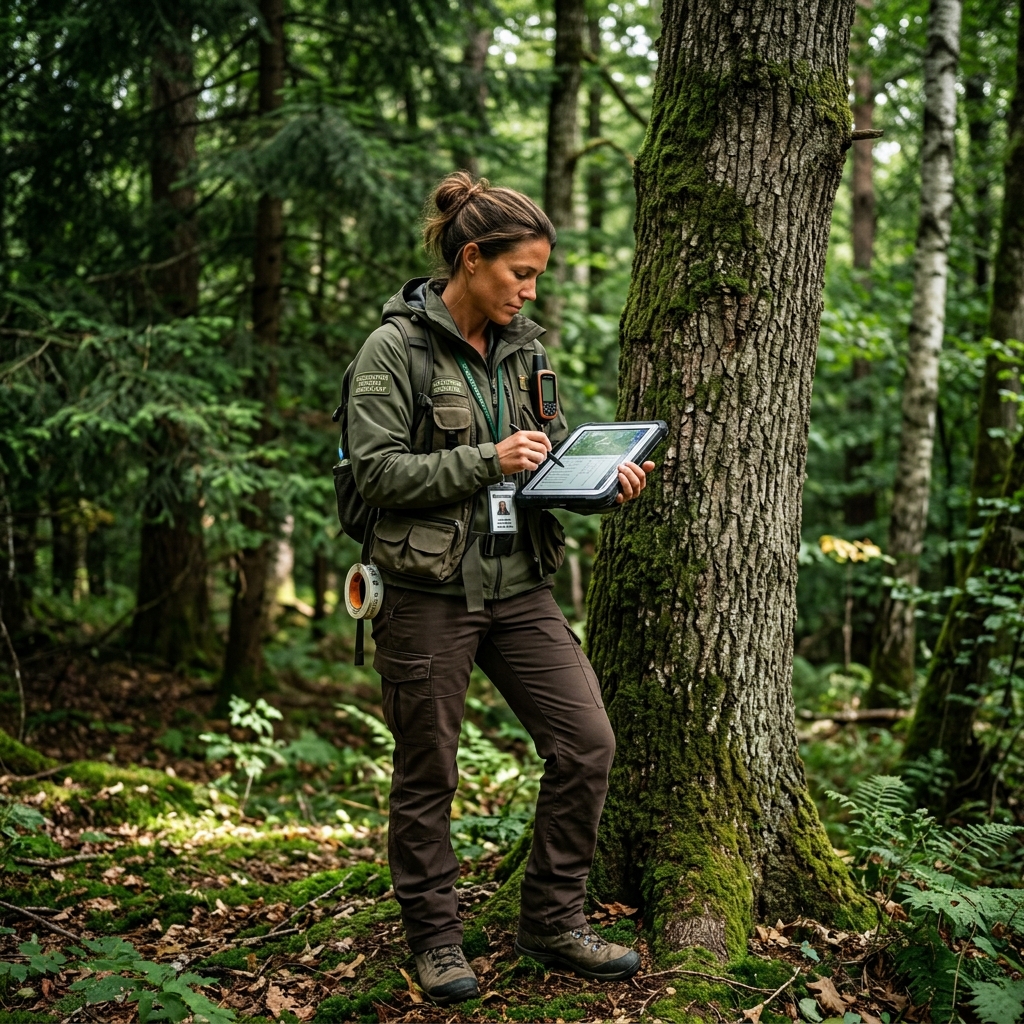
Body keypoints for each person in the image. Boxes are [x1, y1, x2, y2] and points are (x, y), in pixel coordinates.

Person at [346, 171, 655, 1006]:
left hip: (519, 586)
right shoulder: (393, 349)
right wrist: (485, 459)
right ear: (472, 259)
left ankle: (552, 922)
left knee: (588, 743)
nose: (529, 289)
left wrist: (595, 480)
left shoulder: (527, 349)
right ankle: (435, 942)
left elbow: (542, 458)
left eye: (539, 276)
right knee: (428, 773)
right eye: (519, 273)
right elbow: (375, 473)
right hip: (425, 593)